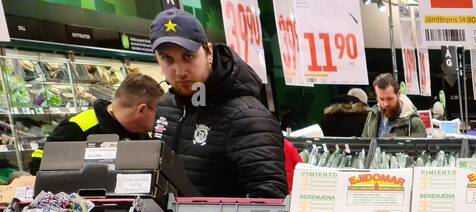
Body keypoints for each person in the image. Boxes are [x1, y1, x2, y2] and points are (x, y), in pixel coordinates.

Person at [149, 8, 287, 198]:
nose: (179, 71)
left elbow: (269, 202)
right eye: (167, 59)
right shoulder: (167, 107)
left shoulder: (249, 117)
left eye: (188, 56)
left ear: (209, 52)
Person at [28, 73, 162, 174]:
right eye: (159, 111)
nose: (161, 117)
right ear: (142, 109)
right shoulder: (81, 126)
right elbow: (38, 163)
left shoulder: (144, 136)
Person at [361, 74, 427, 138]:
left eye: (389, 99)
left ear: (398, 94)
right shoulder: (372, 116)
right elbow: (364, 146)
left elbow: (421, 149)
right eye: (381, 99)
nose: (385, 103)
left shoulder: (415, 124)